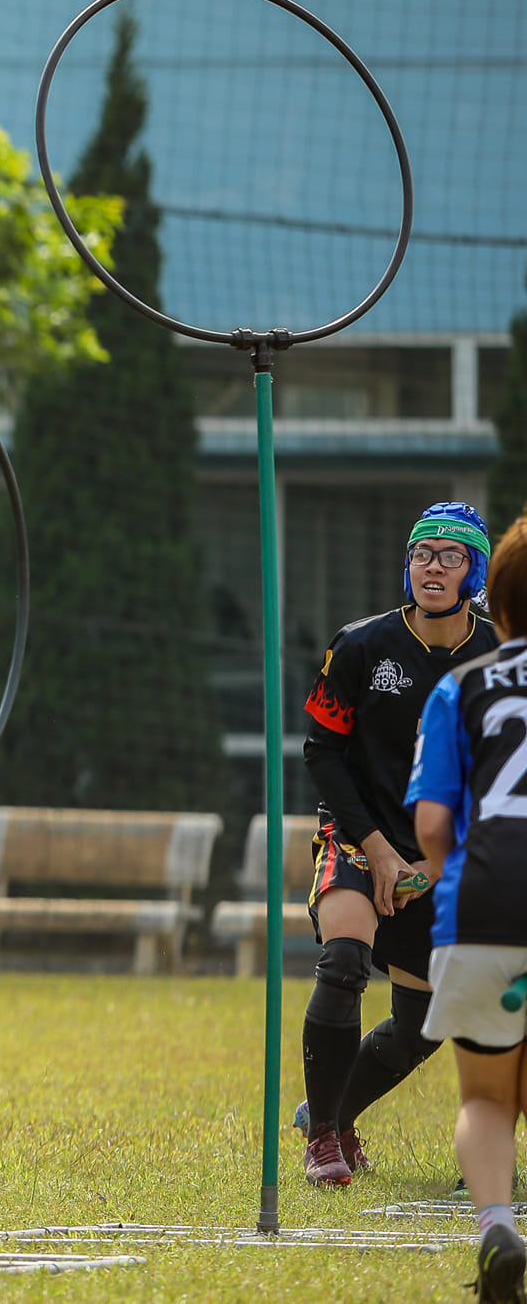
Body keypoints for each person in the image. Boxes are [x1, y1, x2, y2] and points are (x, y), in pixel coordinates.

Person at [295, 502, 497, 1186]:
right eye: (421, 553)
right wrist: (377, 848)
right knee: (345, 961)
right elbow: (321, 752)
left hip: (446, 856)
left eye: (450, 555)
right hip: (356, 837)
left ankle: (332, 1111)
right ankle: (323, 1140)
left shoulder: (499, 658)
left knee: (421, 1027)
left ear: (475, 572)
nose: (432, 565)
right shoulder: (360, 645)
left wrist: (443, 859)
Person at [406, 510, 527, 1304]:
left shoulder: (461, 686)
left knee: (487, 1095)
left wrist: (460, 887)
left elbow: (431, 824)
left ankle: (494, 1227)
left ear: (498, 600)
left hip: (483, 908)